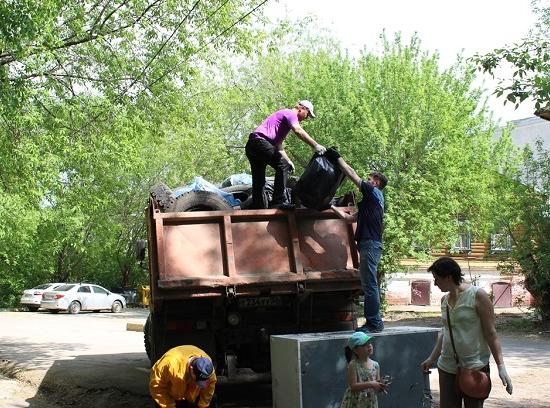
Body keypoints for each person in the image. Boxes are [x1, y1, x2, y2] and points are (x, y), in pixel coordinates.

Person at [420, 257, 513, 408]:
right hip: (447, 367)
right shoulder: (444, 300)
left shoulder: (478, 296)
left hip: (474, 366)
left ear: (448, 277)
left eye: (437, 279)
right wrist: (431, 359)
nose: (435, 283)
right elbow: (445, 332)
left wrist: (501, 366)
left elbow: (491, 333)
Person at [328, 152, 388, 333]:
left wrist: (337, 158)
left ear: (376, 182)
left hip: (370, 245)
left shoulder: (374, 192)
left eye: (370, 178)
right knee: (368, 284)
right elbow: (349, 219)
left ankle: (374, 323)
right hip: (368, 245)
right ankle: (374, 321)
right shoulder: (371, 203)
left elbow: (351, 173)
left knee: (370, 285)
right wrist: (330, 206)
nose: (367, 180)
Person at [245, 100, 326, 209]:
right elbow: (298, 130)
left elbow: (278, 145)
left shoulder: (284, 121)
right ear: (301, 108)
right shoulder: (290, 113)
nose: (307, 118)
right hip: (259, 142)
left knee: (259, 180)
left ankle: (258, 207)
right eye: (308, 114)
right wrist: (315, 145)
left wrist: (288, 160)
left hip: (253, 145)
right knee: (282, 166)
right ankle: (277, 202)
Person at [150, 345, 217, 408]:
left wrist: (202, 405)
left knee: (212, 400)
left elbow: (209, 388)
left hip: (189, 395)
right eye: (197, 380)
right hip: (169, 395)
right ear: (191, 369)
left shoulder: (208, 367)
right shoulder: (169, 364)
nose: (199, 384)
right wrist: (169, 405)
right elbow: (157, 387)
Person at [340, 331, 387, 408]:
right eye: (364, 345)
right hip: (356, 402)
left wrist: (381, 386)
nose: (369, 346)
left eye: (369, 343)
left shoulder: (376, 365)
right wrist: (371, 384)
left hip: (370, 402)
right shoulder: (353, 365)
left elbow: (377, 384)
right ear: (356, 350)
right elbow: (353, 386)